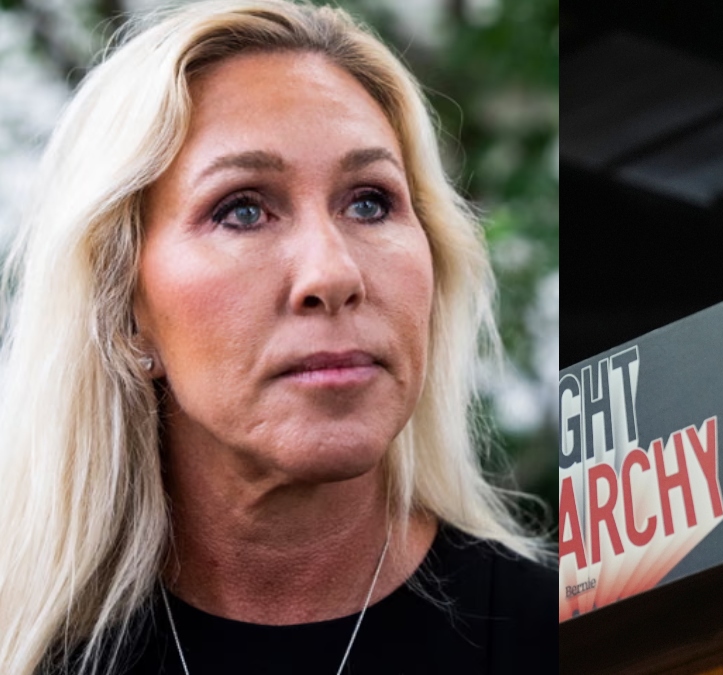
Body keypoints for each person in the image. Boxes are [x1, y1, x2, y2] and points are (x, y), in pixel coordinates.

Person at [0, 1, 554, 674]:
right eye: (243, 209)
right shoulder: (32, 651)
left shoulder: (572, 633)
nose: (333, 273)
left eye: (370, 202)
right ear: (123, 310)